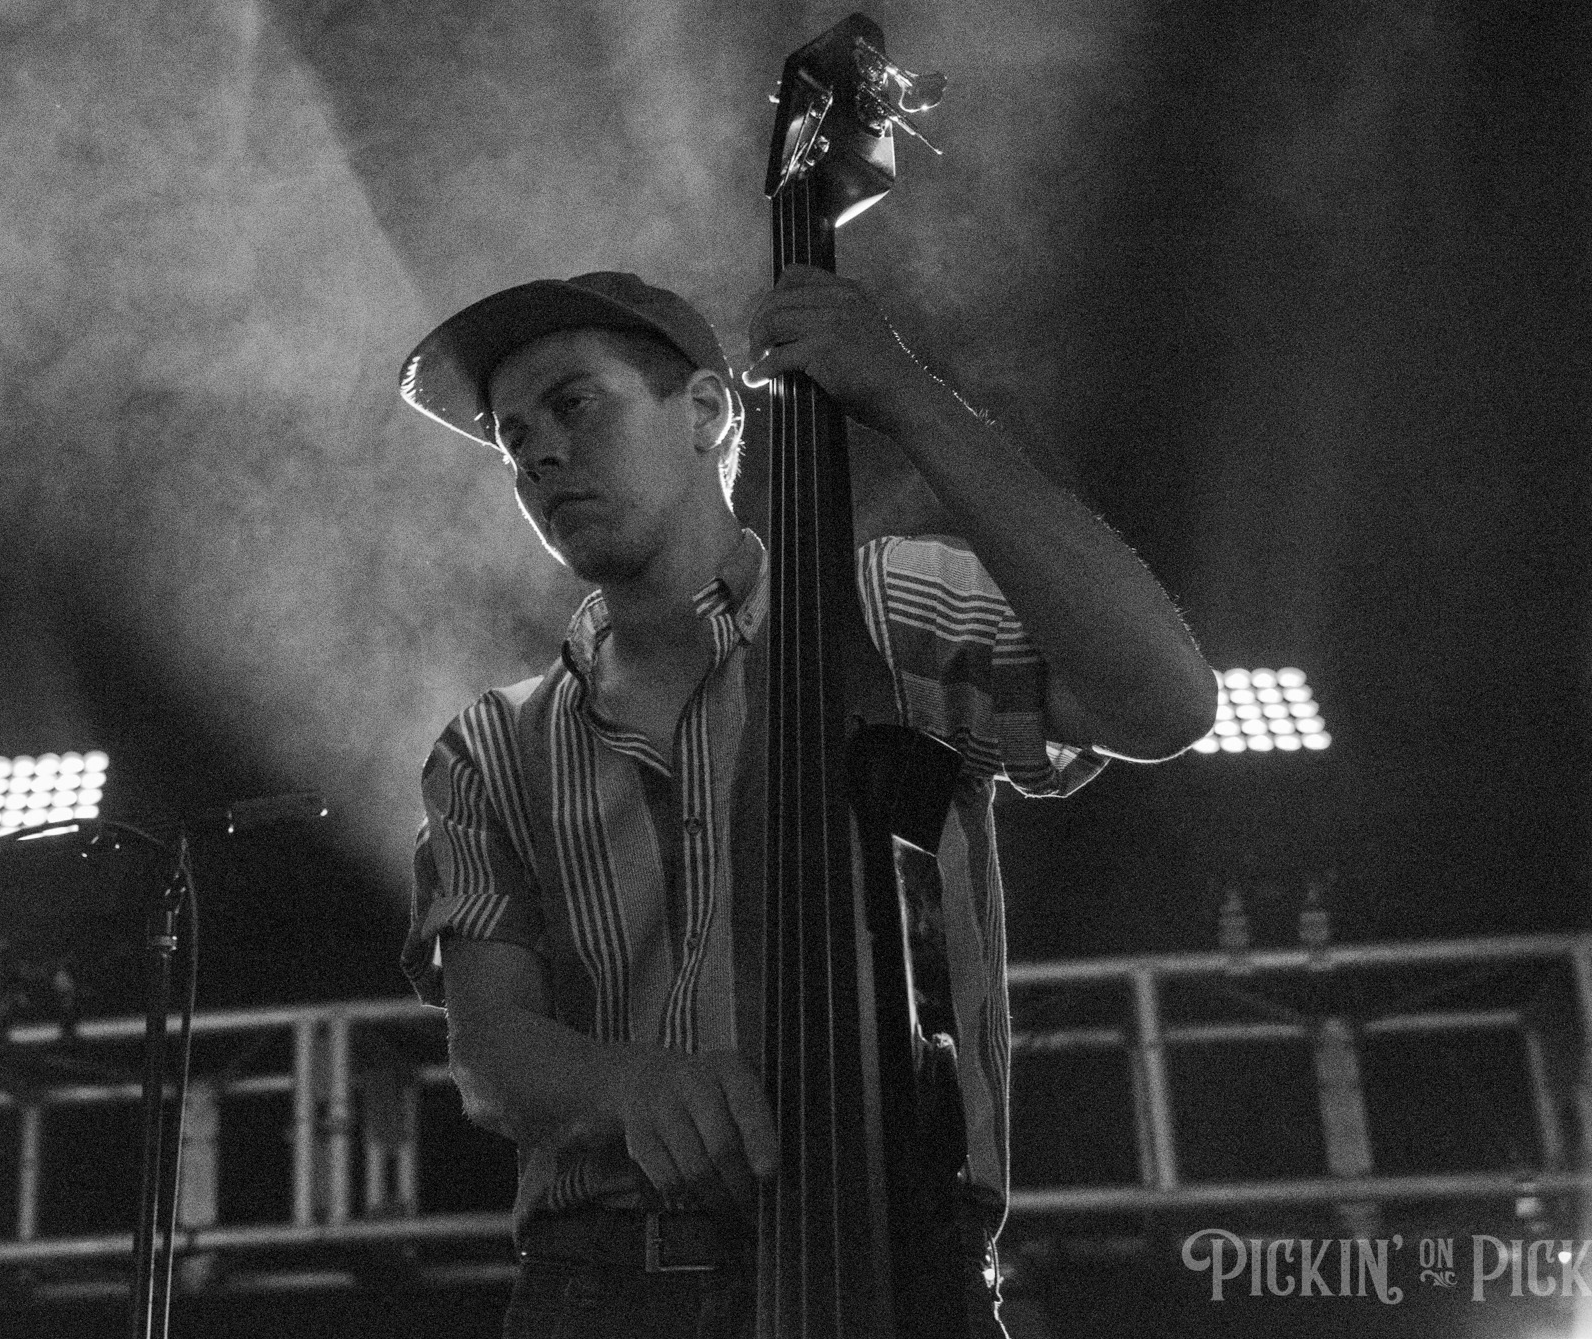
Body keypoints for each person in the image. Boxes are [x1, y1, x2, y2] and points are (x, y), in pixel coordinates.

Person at [397, 268, 1215, 1338]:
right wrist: (625, 1085)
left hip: (894, 1271)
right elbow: (487, 1048)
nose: (537, 455)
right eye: (513, 439)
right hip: (596, 1292)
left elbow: (1162, 702)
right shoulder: (490, 743)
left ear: (704, 411)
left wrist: (901, 394)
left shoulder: (882, 606)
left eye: (574, 404)